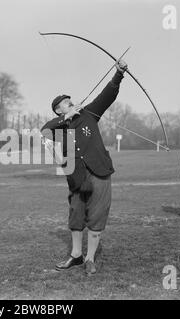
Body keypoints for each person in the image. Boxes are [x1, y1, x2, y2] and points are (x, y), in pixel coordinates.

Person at [41, 60, 128, 275]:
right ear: (58, 110)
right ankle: (77, 255)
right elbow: (44, 131)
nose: (71, 103)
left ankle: (90, 258)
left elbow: (107, 95)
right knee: (76, 215)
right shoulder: (58, 126)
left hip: (99, 171)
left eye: (71, 101)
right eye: (65, 103)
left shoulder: (90, 113)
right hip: (76, 176)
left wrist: (118, 74)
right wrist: (65, 118)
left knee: (97, 214)